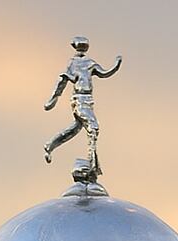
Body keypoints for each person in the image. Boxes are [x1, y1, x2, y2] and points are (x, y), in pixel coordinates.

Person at [43, 36, 122, 177]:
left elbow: (104, 73)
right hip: (79, 100)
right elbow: (65, 79)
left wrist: (116, 65)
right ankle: (93, 164)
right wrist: (53, 99)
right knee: (93, 127)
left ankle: (50, 145)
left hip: (88, 100)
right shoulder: (73, 63)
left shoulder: (90, 63)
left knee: (75, 128)